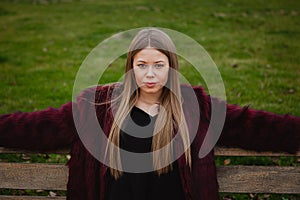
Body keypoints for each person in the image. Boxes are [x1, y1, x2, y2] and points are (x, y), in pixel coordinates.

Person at [0, 28, 299, 200]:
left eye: (159, 65)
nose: (150, 74)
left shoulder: (196, 106)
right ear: (130, 66)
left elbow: (254, 125)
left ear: (171, 67)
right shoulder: (97, 106)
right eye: (141, 65)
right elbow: (38, 126)